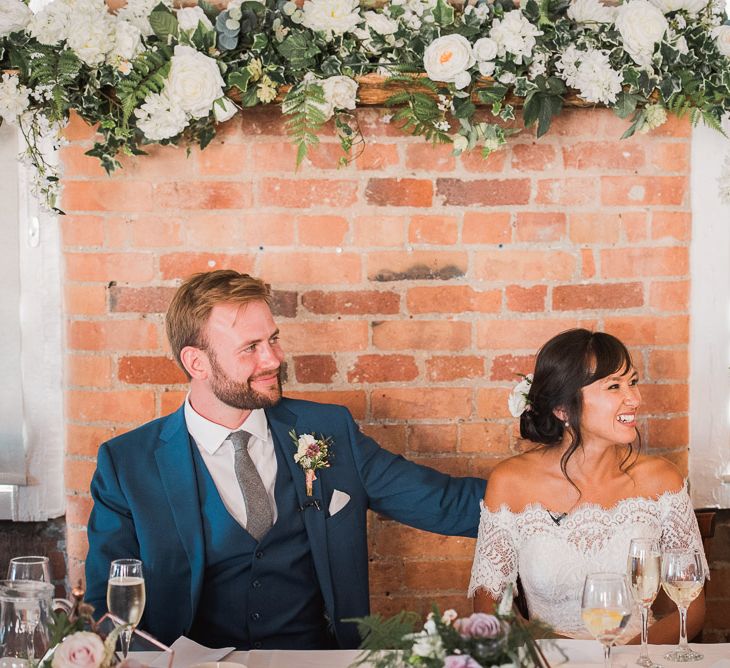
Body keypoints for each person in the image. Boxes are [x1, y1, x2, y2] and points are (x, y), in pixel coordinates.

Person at [85, 270, 486, 650]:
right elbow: (109, 611)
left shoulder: (328, 430)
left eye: (273, 340)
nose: (273, 359)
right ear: (197, 363)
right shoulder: (127, 465)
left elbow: (444, 503)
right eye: (251, 348)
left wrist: (544, 497)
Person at [468, 328, 706, 643]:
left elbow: (692, 609)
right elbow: (489, 609)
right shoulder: (510, 483)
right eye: (614, 386)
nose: (634, 398)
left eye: (632, 382)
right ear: (563, 409)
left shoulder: (662, 481)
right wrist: (564, 654)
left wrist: (621, 659)